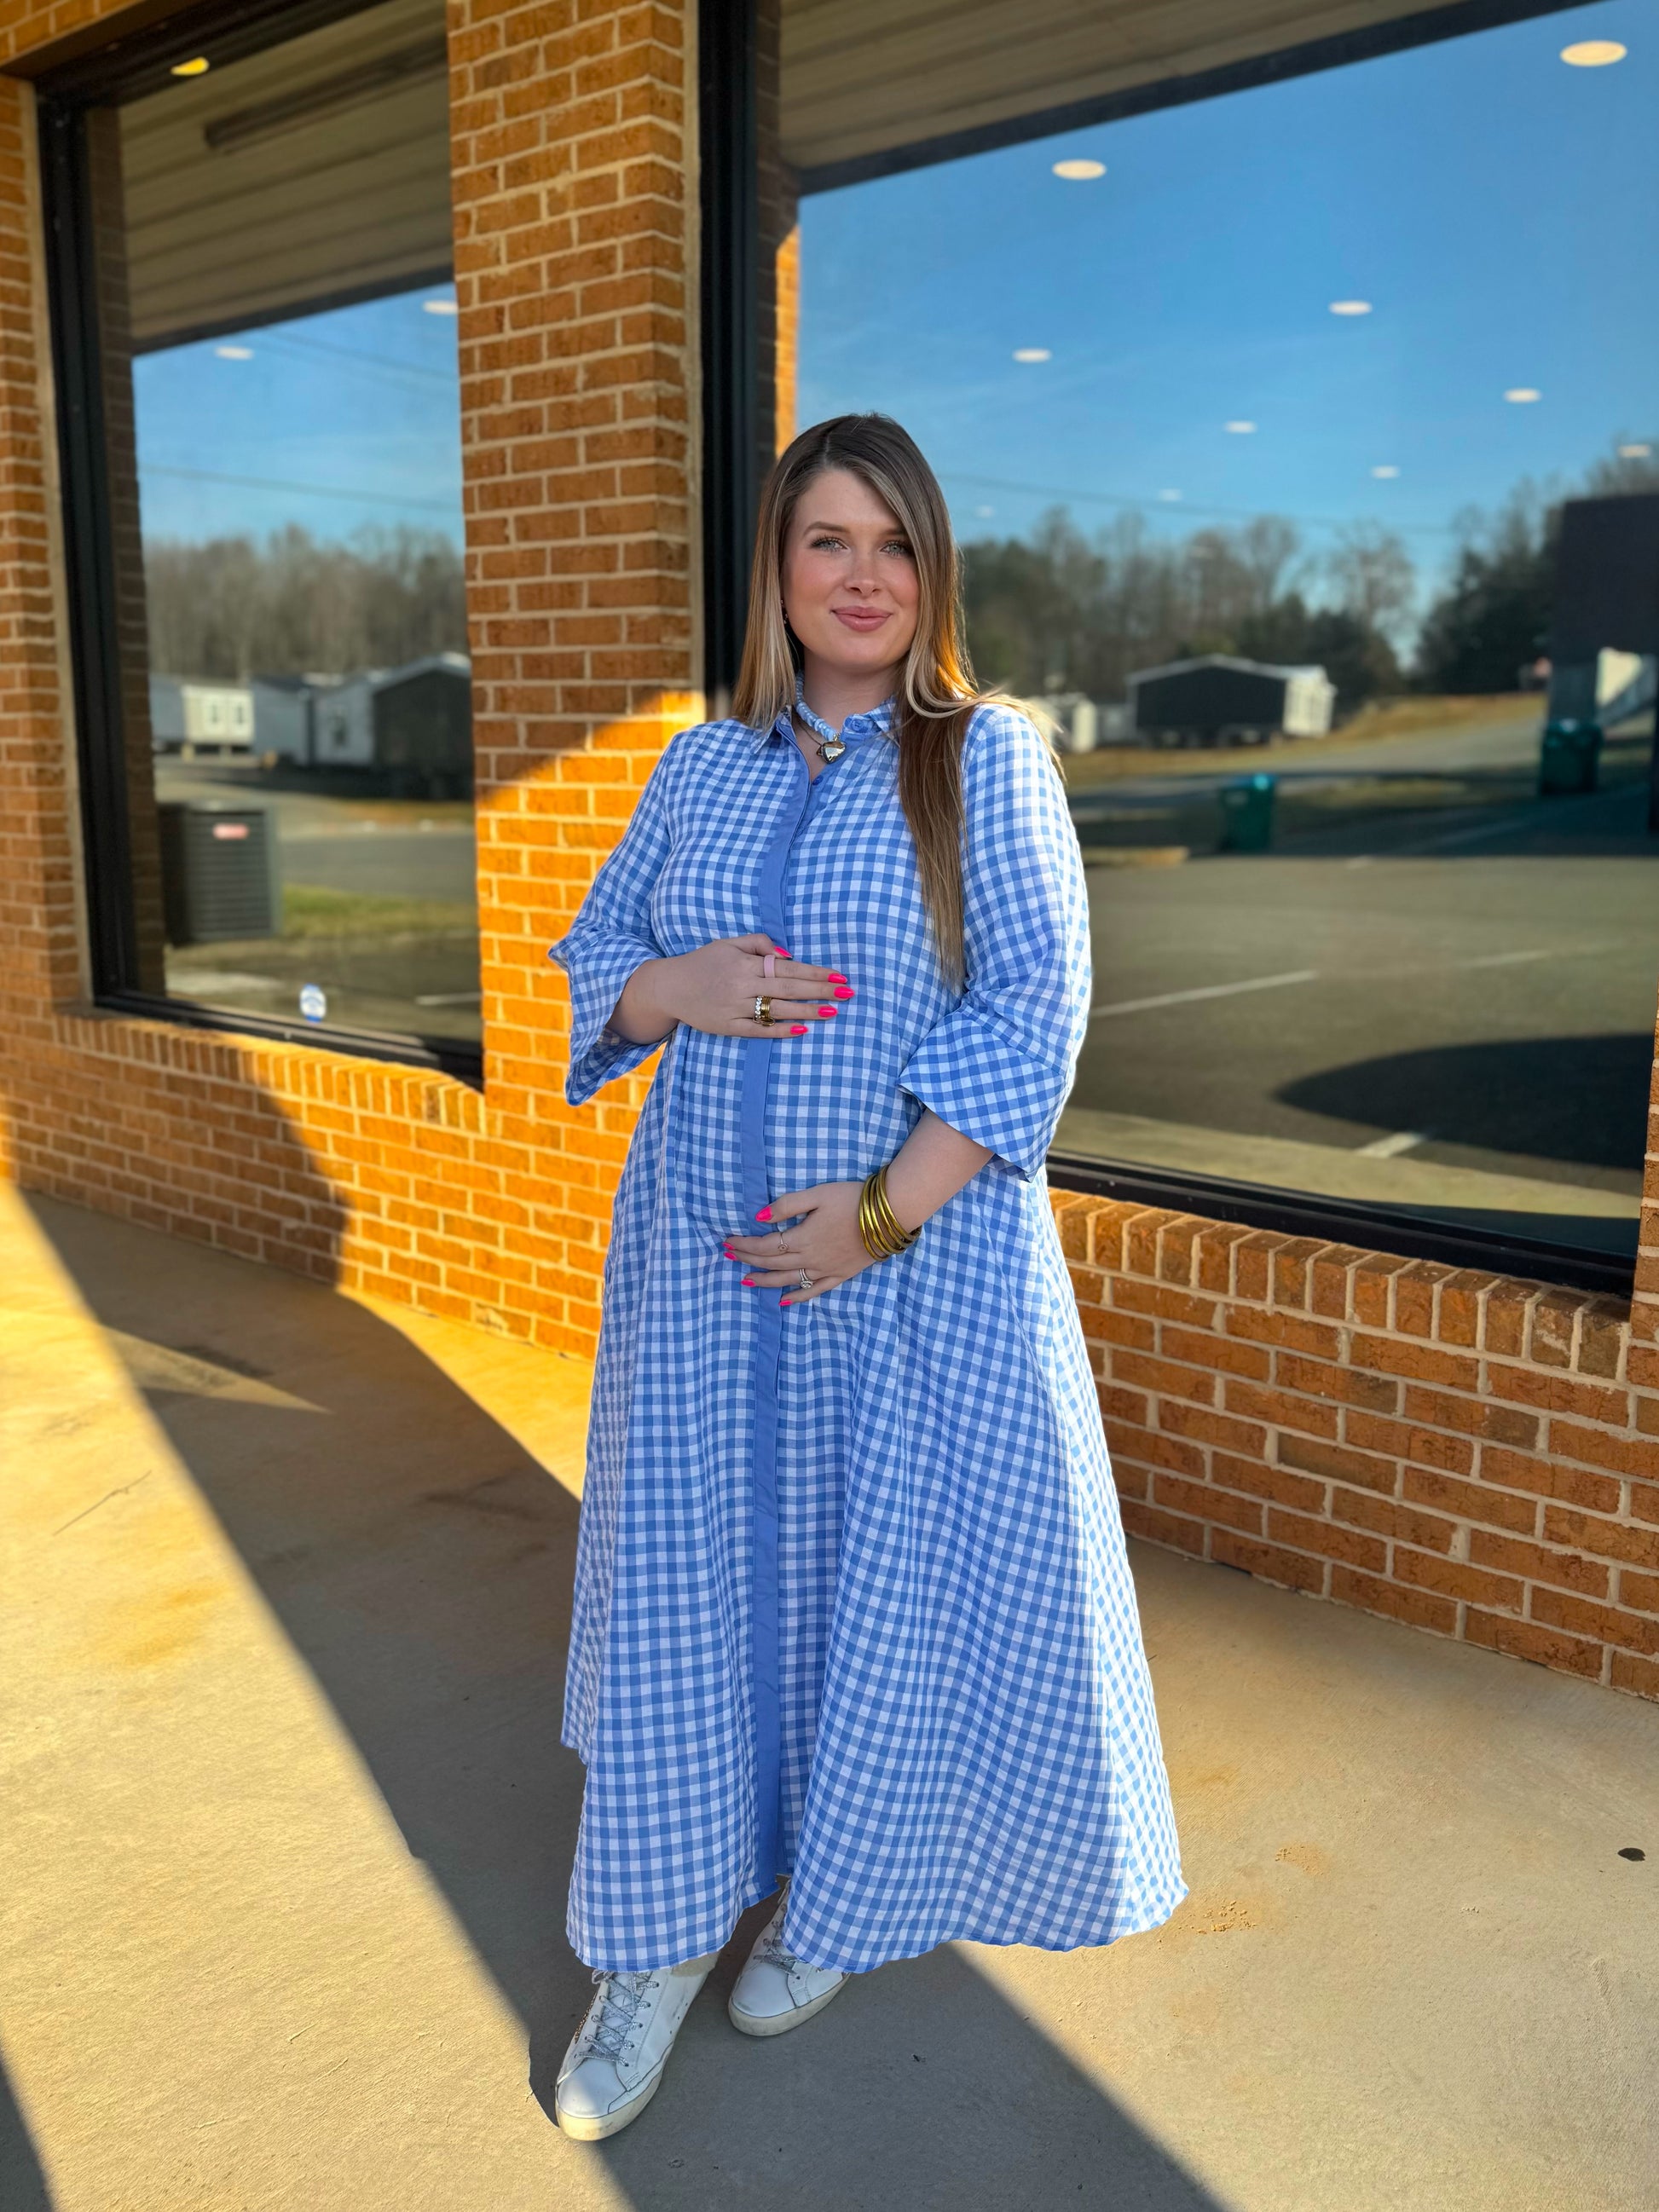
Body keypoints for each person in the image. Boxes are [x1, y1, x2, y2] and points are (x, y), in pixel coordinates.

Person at [546, 413, 1185, 2140]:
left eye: (892, 543)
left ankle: (828, 1906)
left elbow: (1034, 1011)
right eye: (827, 539)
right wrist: (673, 986)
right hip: (701, 1287)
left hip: (911, 1284)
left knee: (871, 1596)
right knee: (692, 1601)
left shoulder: (985, 758)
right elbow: (595, 954)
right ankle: (651, 1945)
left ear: (932, 571)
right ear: (776, 566)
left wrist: (877, 1218)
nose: (861, 576)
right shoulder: (701, 768)